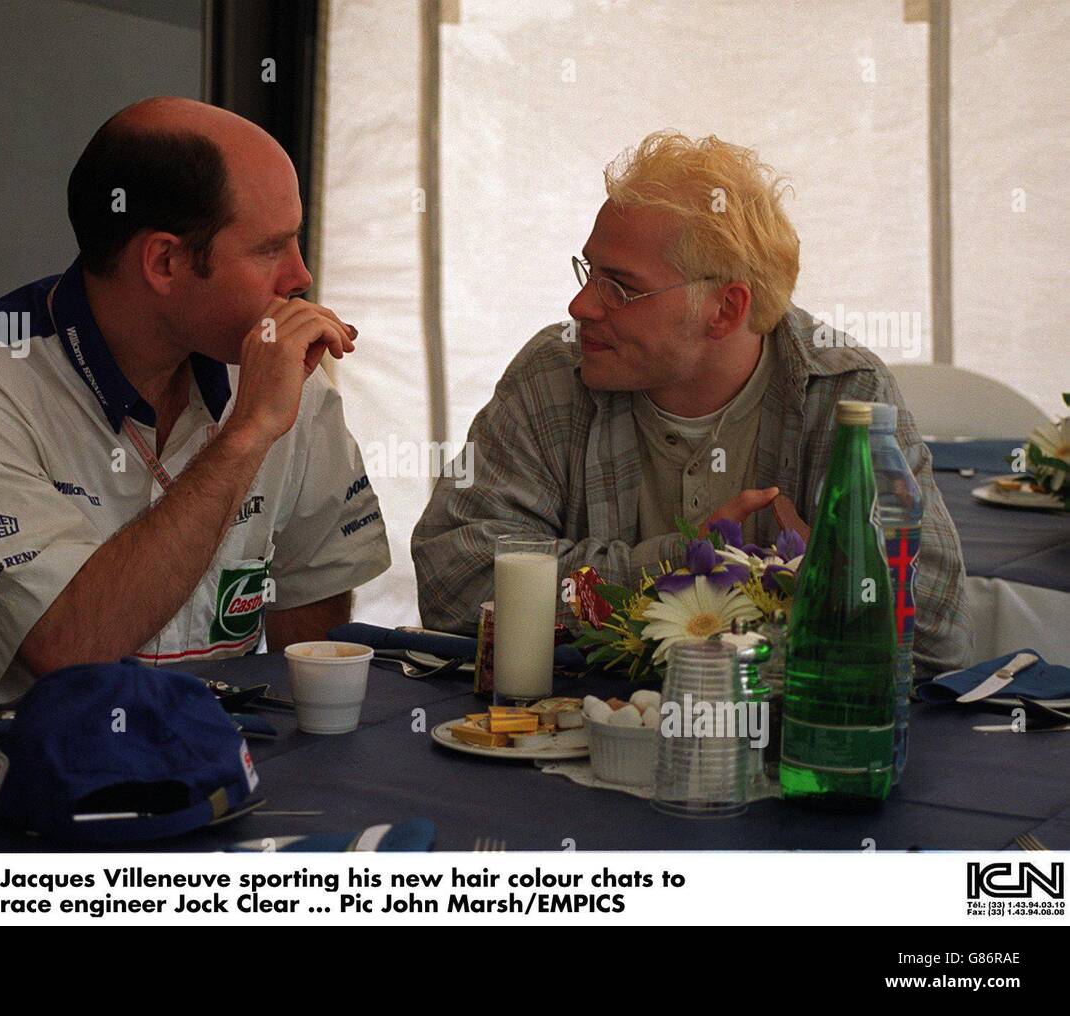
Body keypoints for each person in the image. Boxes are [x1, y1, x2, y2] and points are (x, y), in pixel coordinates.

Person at [0, 98, 390, 822]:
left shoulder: (263, 366)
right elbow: (72, 649)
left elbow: (315, 600)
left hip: (209, 748)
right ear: (166, 261)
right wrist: (246, 435)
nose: (300, 276)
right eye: (272, 248)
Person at [412, 130, 970, 677]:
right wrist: (693, 569)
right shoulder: (555, 372)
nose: (580, 305)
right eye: (589, 272)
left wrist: (615, 590)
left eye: (620, 287)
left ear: (726, 310)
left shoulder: (845, 392)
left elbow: (932, 631)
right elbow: (454, 580)